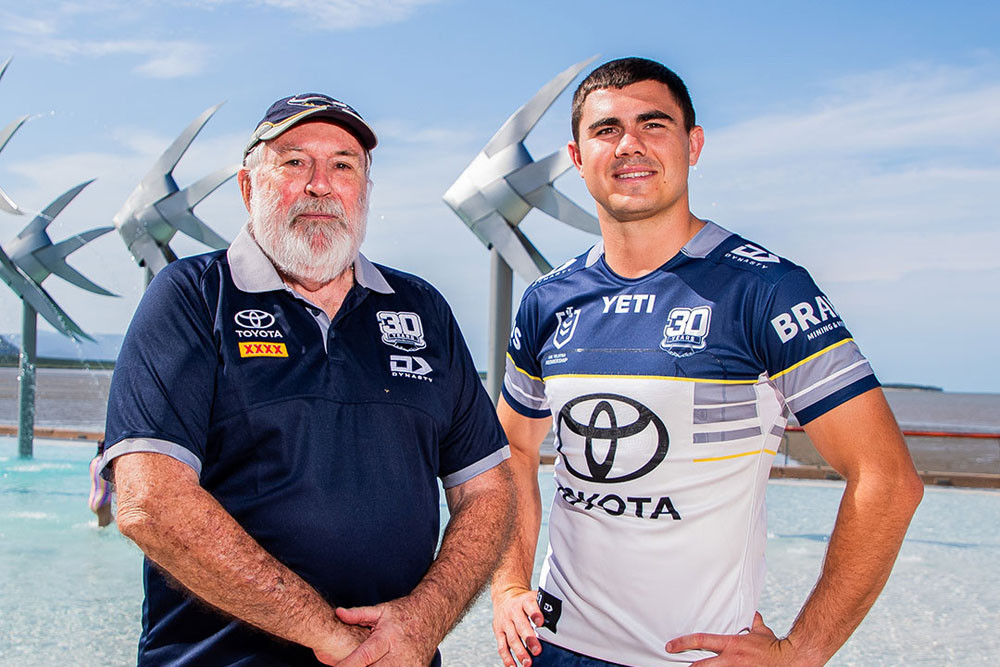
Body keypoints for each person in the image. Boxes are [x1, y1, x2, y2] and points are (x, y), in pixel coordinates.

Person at [491, 58, 924, 667]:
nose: (629, 145)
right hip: (554, 648)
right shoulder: (548, 300)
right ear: (575, 153)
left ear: (693, 145)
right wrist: (509, 584)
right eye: (606, 130)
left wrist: (802, 651)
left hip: (696, 657)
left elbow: (888, 479)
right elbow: (512, 451)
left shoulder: (767, 290)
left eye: (653, 124)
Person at [97, 93, 514, 667]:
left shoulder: (424, 310)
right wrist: (335, 640)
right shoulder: (191, 298)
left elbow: (487, 491)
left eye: (344, 165)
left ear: (364, 192)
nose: (321, 184)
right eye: (294, 162)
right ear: (249, 187)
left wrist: (423, 621)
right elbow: (151, 502)